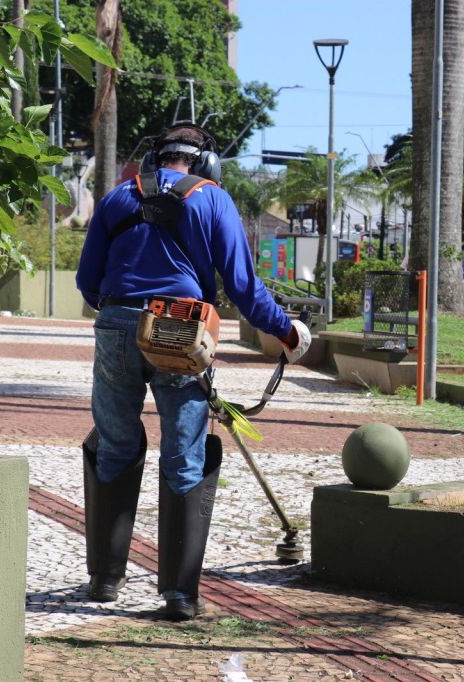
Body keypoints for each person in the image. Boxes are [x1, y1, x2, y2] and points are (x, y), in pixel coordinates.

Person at [75, 124, 309, 621]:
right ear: (203, 164)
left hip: (115, 322)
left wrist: (122, 314)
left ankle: (104, 579)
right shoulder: (213, 200)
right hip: (180, 328)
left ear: (153, 158)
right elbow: (243, 288)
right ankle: (180, 596)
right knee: (184, 453)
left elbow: (87, 281)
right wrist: (286, 333)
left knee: (114, 444)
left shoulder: (118, 197)